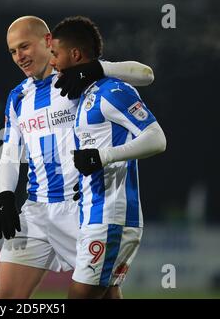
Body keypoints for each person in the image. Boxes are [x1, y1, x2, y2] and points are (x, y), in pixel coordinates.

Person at [0, 15, 156, 299]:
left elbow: (146, 74)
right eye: (13, 51)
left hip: (82, 210)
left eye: (24, 47)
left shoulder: (80, 79)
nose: (19, 57)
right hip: (36, 210)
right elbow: (10, 150)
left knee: (103, 292)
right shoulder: (18, 96)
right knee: (4, 299)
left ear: (47, 41)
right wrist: (5, 196)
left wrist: (96, 68)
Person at [50, 16, 166, 298]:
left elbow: (157, 139)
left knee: (79, 296)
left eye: (55, 54)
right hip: (94, 211)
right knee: (108, 293)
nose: (52, 62)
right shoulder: (82, 94)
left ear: (75, 54)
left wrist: (103, 156)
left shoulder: (112, 91)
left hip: (112, 215)